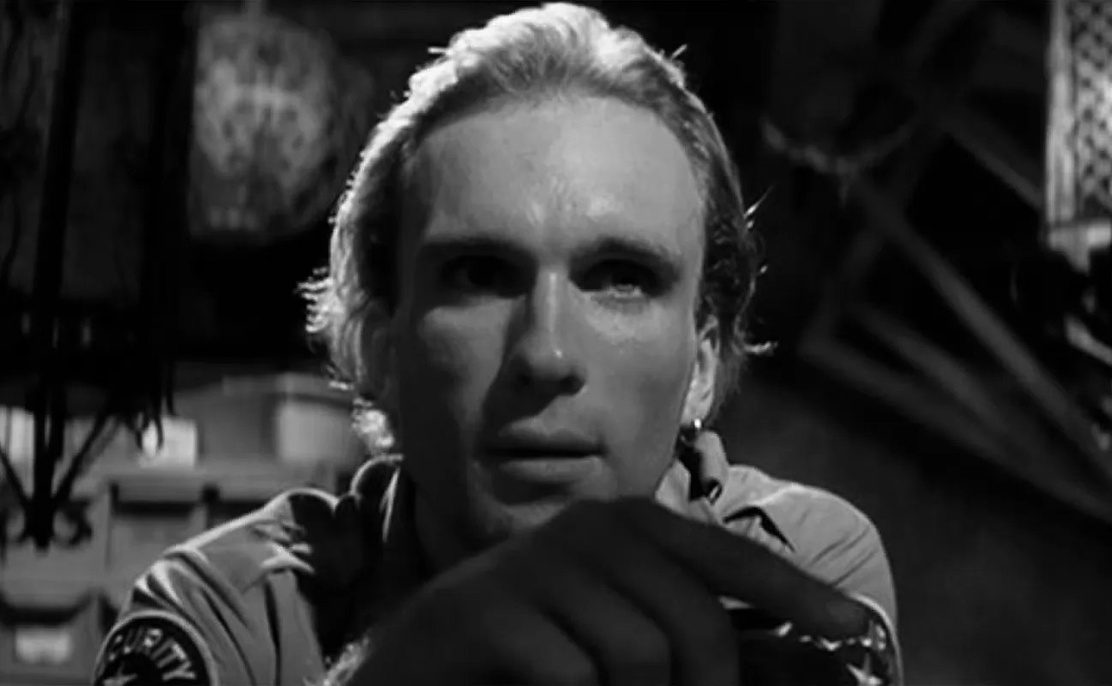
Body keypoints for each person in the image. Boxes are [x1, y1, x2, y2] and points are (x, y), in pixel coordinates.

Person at [92, 4, 900, 685]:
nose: (545, 354)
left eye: (621, 278)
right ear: (379, 347)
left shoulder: (791, 571)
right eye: (479, 275)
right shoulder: (223, 619)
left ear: (704, 362)